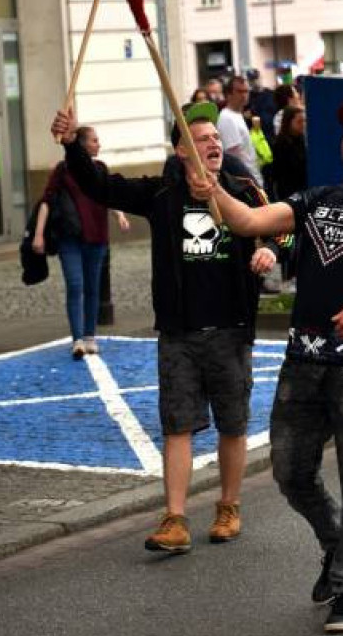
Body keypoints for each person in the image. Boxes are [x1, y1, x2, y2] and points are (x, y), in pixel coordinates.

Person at [188, 100, 343, 634]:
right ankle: (335, 543)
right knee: (290, 472)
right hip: (303, 361)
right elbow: (248, 219)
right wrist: (212, 189)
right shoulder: (317, 198)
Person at [50, 100, 286, 551]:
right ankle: (175, 518)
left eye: (216, 137)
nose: (214, 144)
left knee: (232, 423)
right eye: (202, 139)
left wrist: (272, 250)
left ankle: (229, 506)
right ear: (182, 151)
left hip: (231, 327)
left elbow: (283, 227)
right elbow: (98, 184)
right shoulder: (161, 194)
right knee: (177, 425)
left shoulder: (241, 185)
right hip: (180, 332)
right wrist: (71, 144)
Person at [32, 125, 129, 359]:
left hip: (97, 236)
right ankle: (77, 339)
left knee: (92, 287)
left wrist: (119, 215)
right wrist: (39, 233)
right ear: (83, 144)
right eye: (95, 140)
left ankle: (89, 336)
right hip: (70, 238)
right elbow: (46, 200)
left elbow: (109, 195)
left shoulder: (101, 168)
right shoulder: (63, 170)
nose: (99, 144)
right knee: (75, 286)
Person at [217, 75, 263, 186]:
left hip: (252, 178)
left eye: (246, 91)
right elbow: (234, 157)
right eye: (240, 91)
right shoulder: (227, 118)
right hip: (245, 182)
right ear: (228, 94)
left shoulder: (236, 115)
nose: (244, 95)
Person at [271, 106, 307, 200]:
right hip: (288, 191)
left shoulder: (302, 139)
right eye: (299, 122)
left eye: (304, 121)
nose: (303, 124)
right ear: (288, 123)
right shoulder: (281, 144)